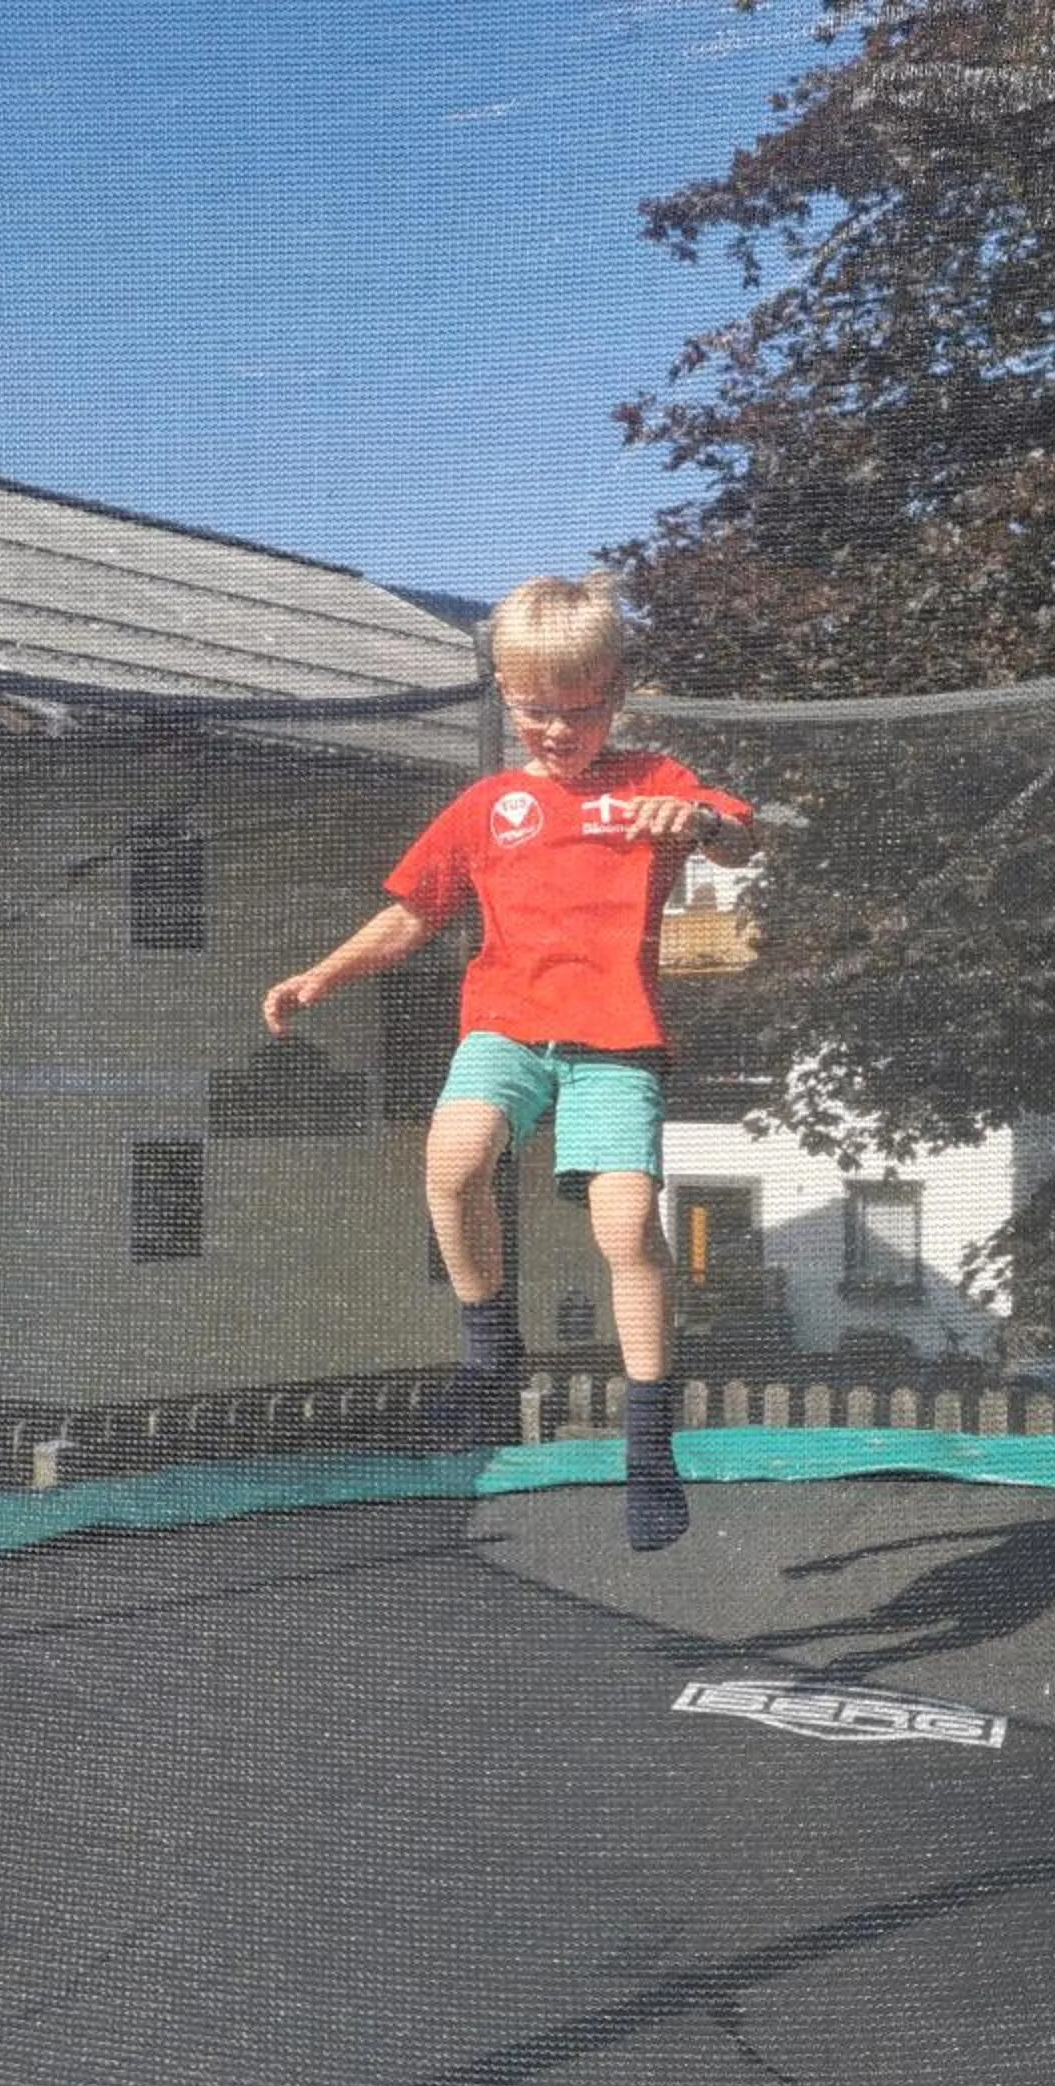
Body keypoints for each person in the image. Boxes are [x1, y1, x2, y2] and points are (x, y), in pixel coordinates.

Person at [261, 573, 755, 1552]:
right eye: (533, 711)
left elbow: (737, 836)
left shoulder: (654, 780)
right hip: (508, 1027)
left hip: (614, 1039)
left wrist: (698, 826)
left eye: (578, 711)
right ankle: (488, 1353)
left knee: (625, 1231)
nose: (556, 731)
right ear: (503, 694)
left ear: (617, 695)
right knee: (451, 1162)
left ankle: (649, 1452)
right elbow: (413, 912)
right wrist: (322, 976)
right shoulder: (488, 807)